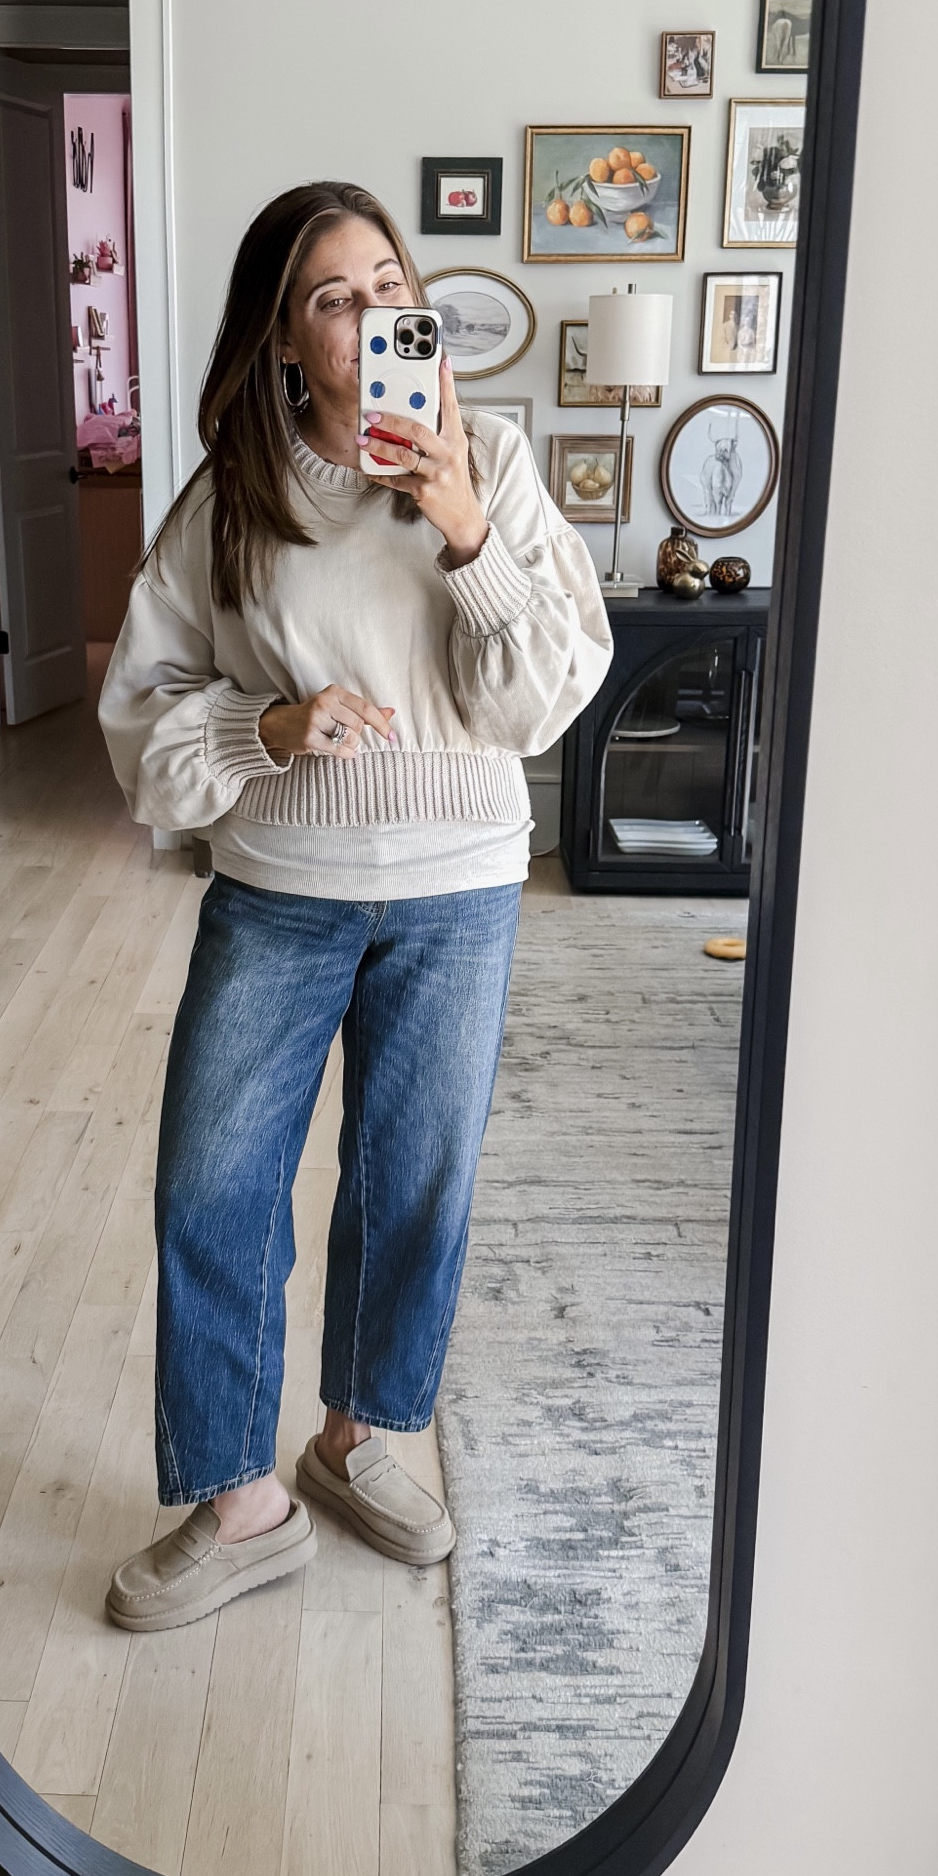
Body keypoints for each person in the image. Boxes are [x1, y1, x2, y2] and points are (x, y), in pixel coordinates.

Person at [97, 182, 613, 1631]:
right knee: (213, 1184)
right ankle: (239, 1503)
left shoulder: (489, 461)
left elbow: (541, 704)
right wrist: (267, 727)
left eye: (390, 283)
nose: (376, 313)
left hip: (460, 892)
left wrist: (463, 528)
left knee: (413, 1184)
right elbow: (141, 720)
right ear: (282, 337)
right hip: (282, 890)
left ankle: (352, 1440)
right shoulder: (232, 501)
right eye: (334, 296)